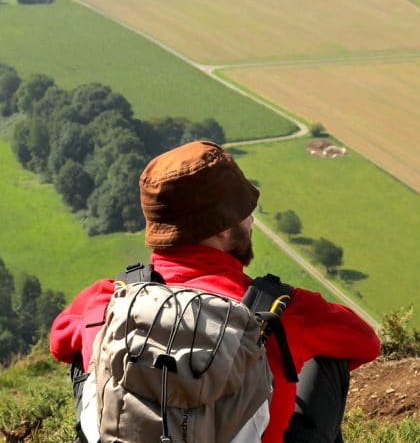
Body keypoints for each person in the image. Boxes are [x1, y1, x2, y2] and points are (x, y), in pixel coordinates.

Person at [50, 140, 381, 443]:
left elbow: (58, 343)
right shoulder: (283, 310)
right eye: (245, 213)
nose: (251, 222)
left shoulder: (108, 297)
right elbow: (365, 342)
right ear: (223, 229)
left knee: (89, 344)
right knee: (326, 355)